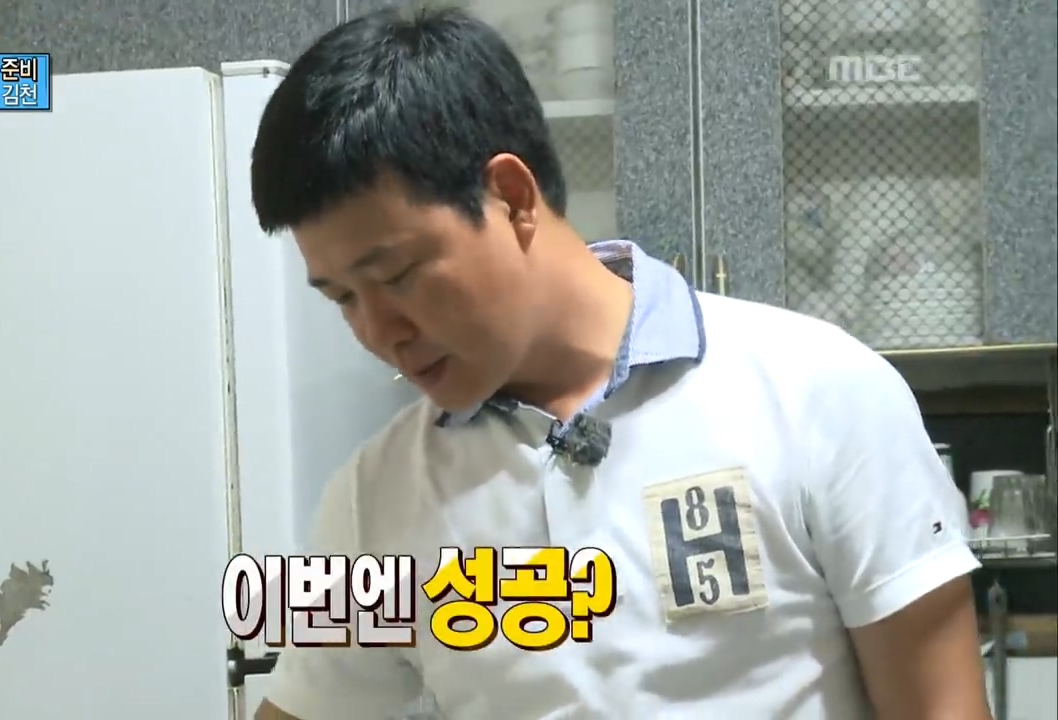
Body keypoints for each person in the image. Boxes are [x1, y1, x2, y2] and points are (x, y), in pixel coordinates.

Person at [247, 7, 990, 719]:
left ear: (511, 197)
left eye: (398, 274)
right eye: (343, 298)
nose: (379, 331)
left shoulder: (817, 392)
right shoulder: (376, 495)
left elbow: (939, 706)